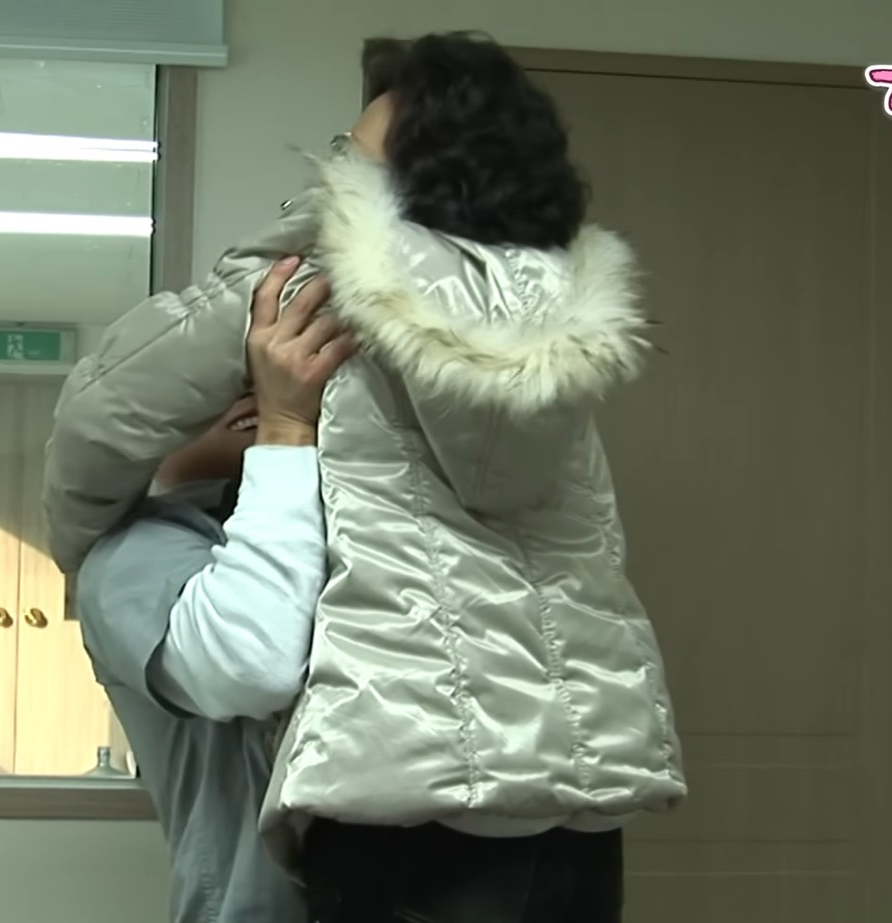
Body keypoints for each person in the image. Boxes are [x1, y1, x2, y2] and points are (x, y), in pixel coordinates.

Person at [45, 30, 687, 923]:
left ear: (393, 193)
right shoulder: (557, 348)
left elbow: (102, 410)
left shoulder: (313, 292)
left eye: (350, 158)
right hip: (576, 815)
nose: (333, 170)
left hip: (403, 807)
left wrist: (88, 535)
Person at [75, 261, 351, 922]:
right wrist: (285, 427)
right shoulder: (130, 559)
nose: (250, 397)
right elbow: (249, 664)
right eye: (235, 387)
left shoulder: (330, 525)